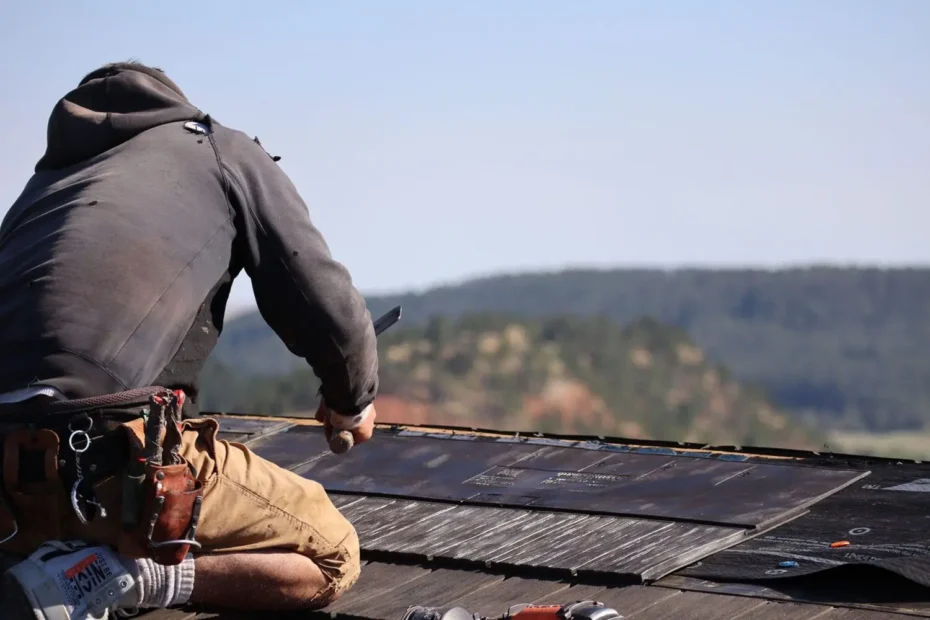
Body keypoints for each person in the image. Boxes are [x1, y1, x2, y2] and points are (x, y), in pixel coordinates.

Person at [0, 61, 380, 617]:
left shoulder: (43, 191)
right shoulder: (217, 148)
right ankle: (125, 576)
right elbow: (318, 294)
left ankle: (55, 565)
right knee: (332, 554)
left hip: (10, 486)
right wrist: (352, 399)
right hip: (113, 459)